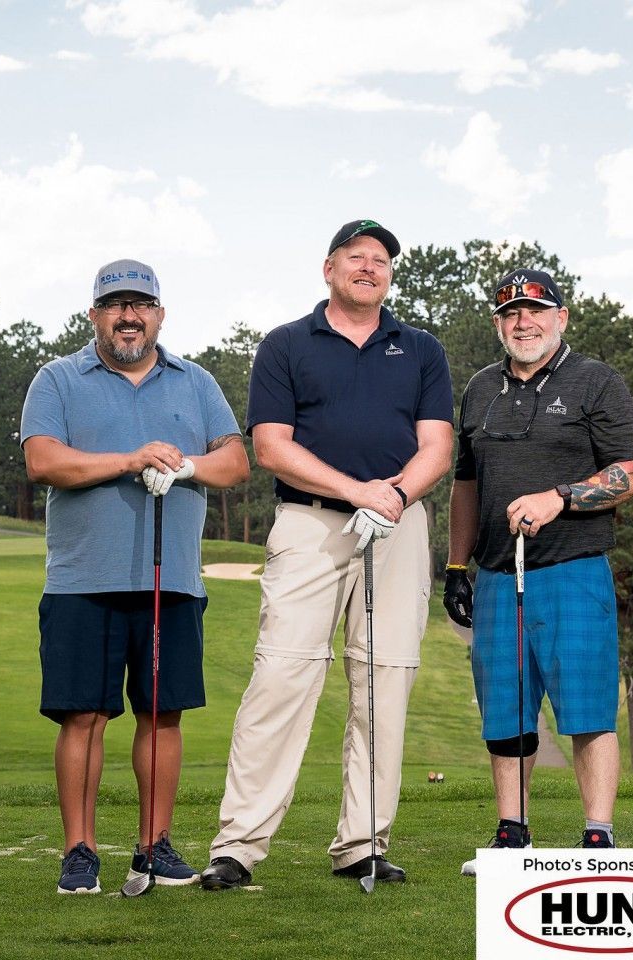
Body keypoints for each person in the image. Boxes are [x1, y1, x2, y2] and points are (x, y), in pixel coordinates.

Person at [199, 220, 453, 891]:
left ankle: (362, 844)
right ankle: (239, 847)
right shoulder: (286, 344)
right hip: (311, 525)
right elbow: (271, 446)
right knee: (281, 678)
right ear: (328, 268)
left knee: (382, 683)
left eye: (380, 260)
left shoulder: (420, 349)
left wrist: (393, 495)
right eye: (355, 257)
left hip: (396, 528)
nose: (369, 267)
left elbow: (436, 447)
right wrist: (357, 491)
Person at [21, 258, 249, 893]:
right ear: (95, 314)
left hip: (170, 580)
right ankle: (80, 851)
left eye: (141, 304)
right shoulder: (58, 378)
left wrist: (185, 468)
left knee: (162, 713)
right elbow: (43, 460)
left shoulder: (195, 380)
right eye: (116, 305)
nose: (129, 316)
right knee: (84, 717)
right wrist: (130, 459)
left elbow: (235, 462)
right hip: (80, 580)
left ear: (160, 314)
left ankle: (154, 845)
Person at [444, 269, 633, 874]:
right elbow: (466, 483)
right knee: (505, 711)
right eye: (510, 314)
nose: (522, 322)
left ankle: (598, 837)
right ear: (497, 325)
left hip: (574, 570)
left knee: (585, 709)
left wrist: (561, 496)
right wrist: (458, 565)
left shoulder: (595, 382)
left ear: (561, 317)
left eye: (534, 311)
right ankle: (512, 833)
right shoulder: (480, 390)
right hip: (500, 574)